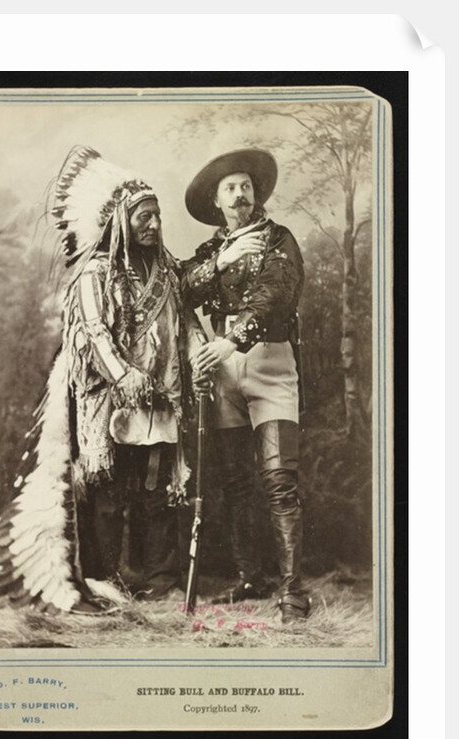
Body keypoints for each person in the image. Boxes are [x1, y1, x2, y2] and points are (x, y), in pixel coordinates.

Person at [0, 146, 205, 614]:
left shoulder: (167, 273)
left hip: (160, 400)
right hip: (107, 401)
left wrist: (200, 355)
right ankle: (106, 580)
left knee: (156, 491)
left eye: (157, 216)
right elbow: (92, 333)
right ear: (122, 221)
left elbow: (185, 324)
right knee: (108, 494)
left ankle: (159, 580)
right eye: (144, 217)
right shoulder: (94, 274)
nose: (154, 225)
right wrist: (123, 375)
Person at [182, 148, 311, 624]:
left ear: (256, 195)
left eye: (246, 187)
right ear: (217, 201)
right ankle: (250, 577)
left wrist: (231, 341)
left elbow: (276, 296)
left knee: (279, 480)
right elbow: (182, 290)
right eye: (230, 188)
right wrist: (222, 261)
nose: (240, 195)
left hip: (269, 363)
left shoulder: (279, 240)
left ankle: (292, 591)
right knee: (236, 482)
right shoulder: (212, 250)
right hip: (222, 373)